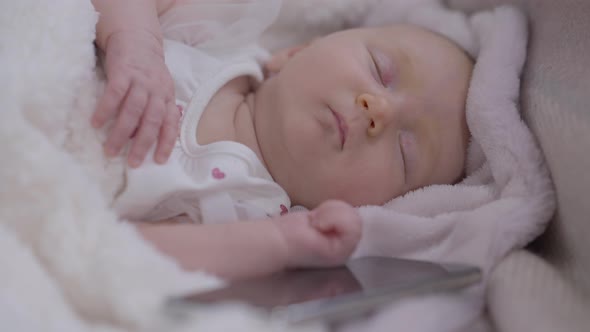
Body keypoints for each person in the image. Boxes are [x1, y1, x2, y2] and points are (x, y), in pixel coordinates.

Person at [90, 0, 473, 280]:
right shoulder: (214, 40)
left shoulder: (252, 219)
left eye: (406, 150)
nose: (380, 111)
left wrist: (279, 245)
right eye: (380, 70)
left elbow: (127, 256)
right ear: (294, 52)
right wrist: (138, 43)